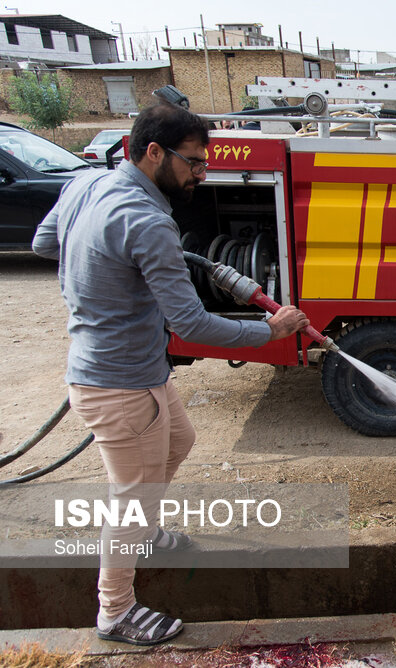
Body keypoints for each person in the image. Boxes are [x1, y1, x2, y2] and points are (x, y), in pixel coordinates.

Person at [32, 102, 310, 646]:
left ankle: (147, 532)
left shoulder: (87, 183)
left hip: (132, 373)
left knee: (180, 439)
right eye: (193, 163)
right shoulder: (150, 220)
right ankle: (115, 612)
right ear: (153, 151)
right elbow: (191, 323)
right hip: (121, 385)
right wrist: (272, 333)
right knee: (131, 496)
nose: (201, 174)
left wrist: (105, 269)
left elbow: (46, 243)